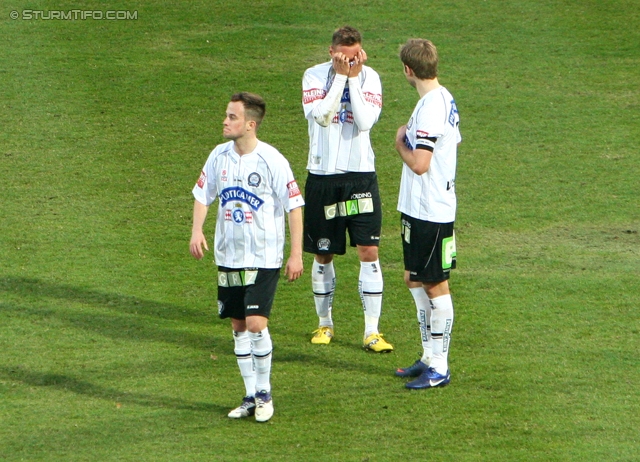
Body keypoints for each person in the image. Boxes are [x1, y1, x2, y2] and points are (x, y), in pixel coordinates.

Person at [190, 92, 305, 421]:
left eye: (232, 117)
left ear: (250, 125)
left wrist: (295, 254)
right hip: (228, 255)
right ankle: (250, 395)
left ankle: (265, 391)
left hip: (263, 256)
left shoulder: (273, 160)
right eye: (226, 116)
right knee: (239, 325)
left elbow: (295, 207)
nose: (225, 122)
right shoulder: (218, 156)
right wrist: (197, 230)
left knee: (256, 323)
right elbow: (203, 193)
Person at [301, 25, 393, 352]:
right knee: (323, 253)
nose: (351, 62)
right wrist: (340, 78)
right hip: (324, 179)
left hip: (360, 180)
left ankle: (372, 331)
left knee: (368, 251)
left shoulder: (371, 78)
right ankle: (325, 324)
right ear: (331, 53)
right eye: (344, 58)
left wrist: (352, 78)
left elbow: (366, 121)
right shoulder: (312, 77)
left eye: (356, 57)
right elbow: (322, 117)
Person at [393, 39, 461, 389]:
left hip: (431, 210)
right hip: (417, 208)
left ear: (408, 70)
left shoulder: (433, 107)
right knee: (413, 278)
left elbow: (421, 164)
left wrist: (400, 144)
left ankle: (441, 367)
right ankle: (428, 356)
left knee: (435, 284)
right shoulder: (439, 98)